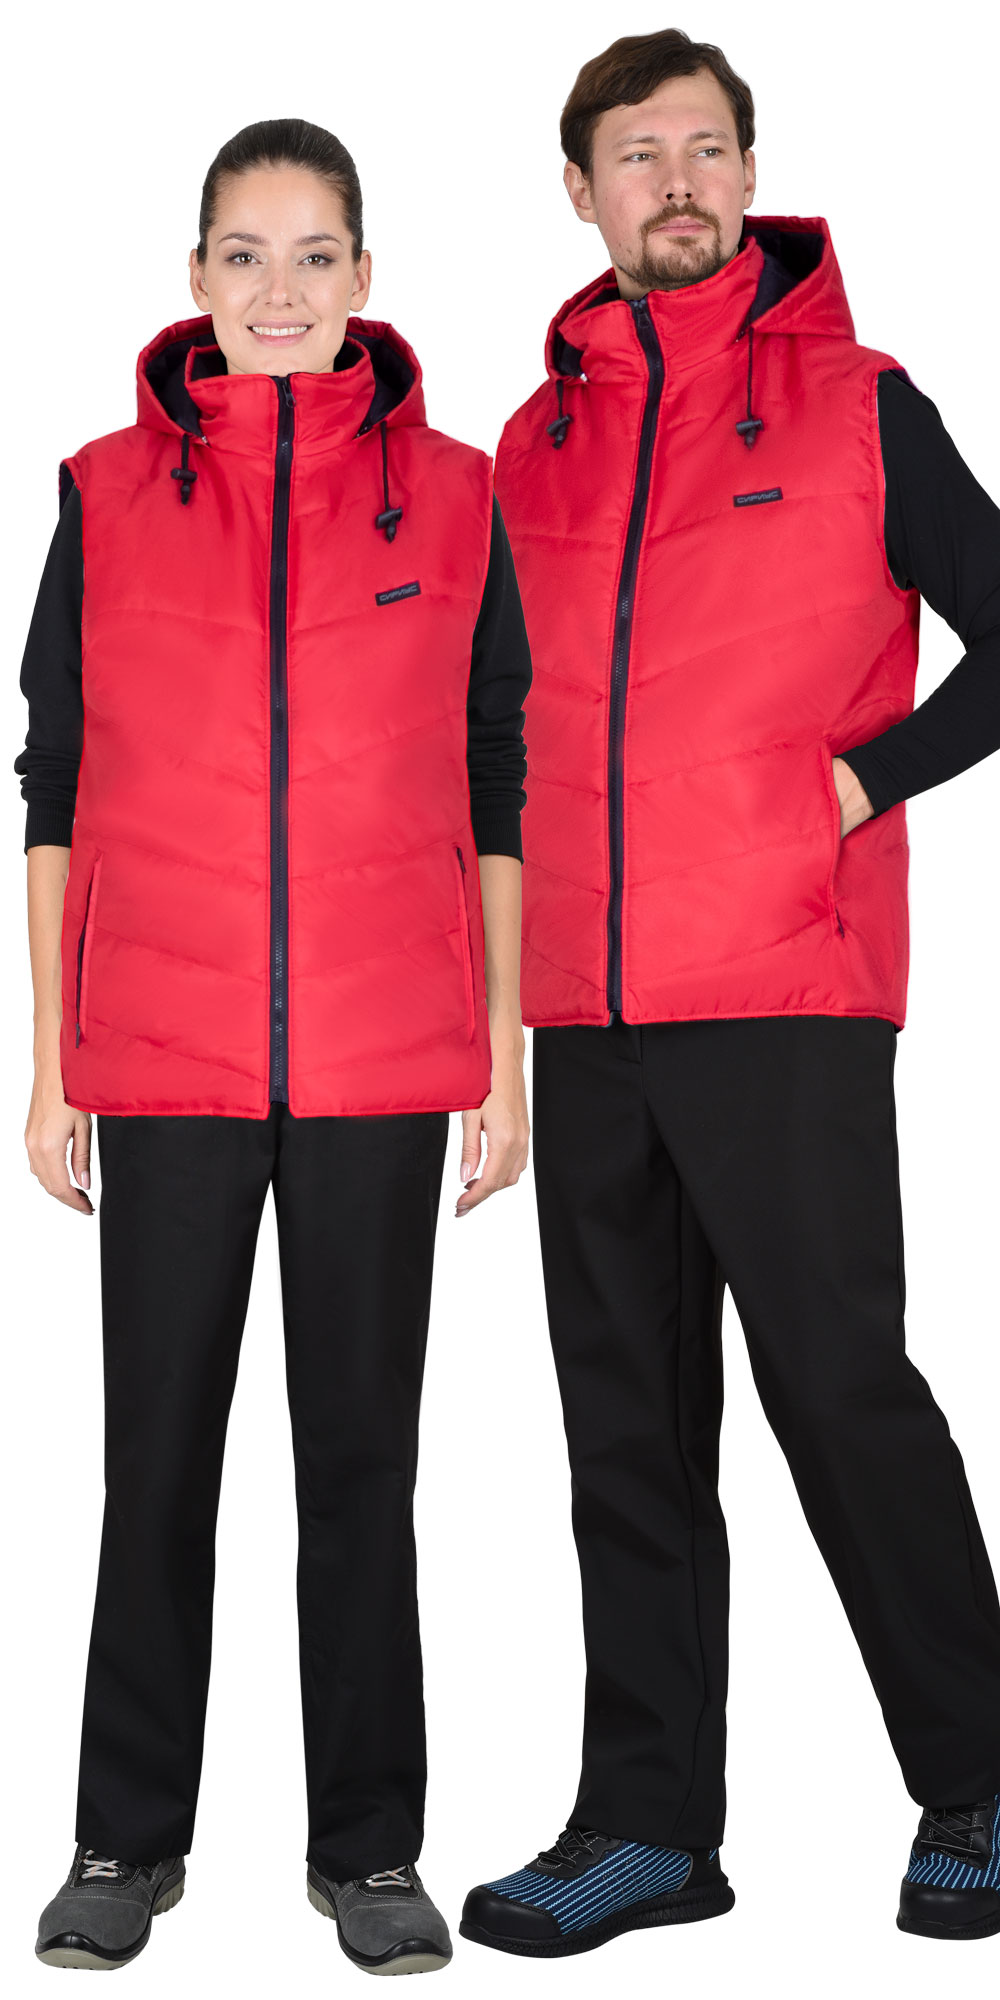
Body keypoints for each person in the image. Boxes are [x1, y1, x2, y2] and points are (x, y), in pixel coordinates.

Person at [460, 28, 1000, 1957]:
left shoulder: (862, 405)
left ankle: (981, 1778)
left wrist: (864, 781)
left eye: (705, 148)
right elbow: (477, 730)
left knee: (839, 1393)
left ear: (750, 177)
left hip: (784, 983)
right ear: (582, 191)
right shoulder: (529, 446)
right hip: (588, 1005)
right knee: (625, 1426)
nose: (674, 181)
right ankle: (649, 1828)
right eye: (637, 154)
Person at [16, 116, 532, 1976]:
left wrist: (502, 1046)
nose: (282, 289)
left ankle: (369, 1851)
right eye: (246, 253)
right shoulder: (102, 492)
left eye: (317, 255)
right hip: (162, 1053)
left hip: (382, 1062)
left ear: (367, 279)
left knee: (361, 1468)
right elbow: (53, 779)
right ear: (195, 278)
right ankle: (123, 1838)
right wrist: (54, 1054)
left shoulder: (459, 497)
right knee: (153, 1461)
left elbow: (495, 773)